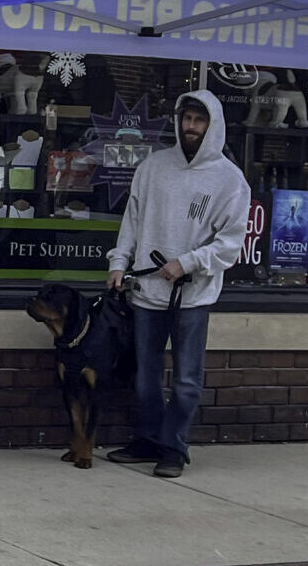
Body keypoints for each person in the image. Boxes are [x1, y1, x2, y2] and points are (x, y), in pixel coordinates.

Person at [104, 91, 250, 479]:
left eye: (199, 121)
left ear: (213, 125)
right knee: (144, 376)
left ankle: (174, 446)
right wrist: (120, 262)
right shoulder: (153, 167)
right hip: (146, 291)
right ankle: (150, 438)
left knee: (186, 380)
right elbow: (131, 222)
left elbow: (230, 243)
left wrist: (188, 263)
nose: (191, 127)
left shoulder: (230, 179)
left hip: (193, 295)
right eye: (186, 119)